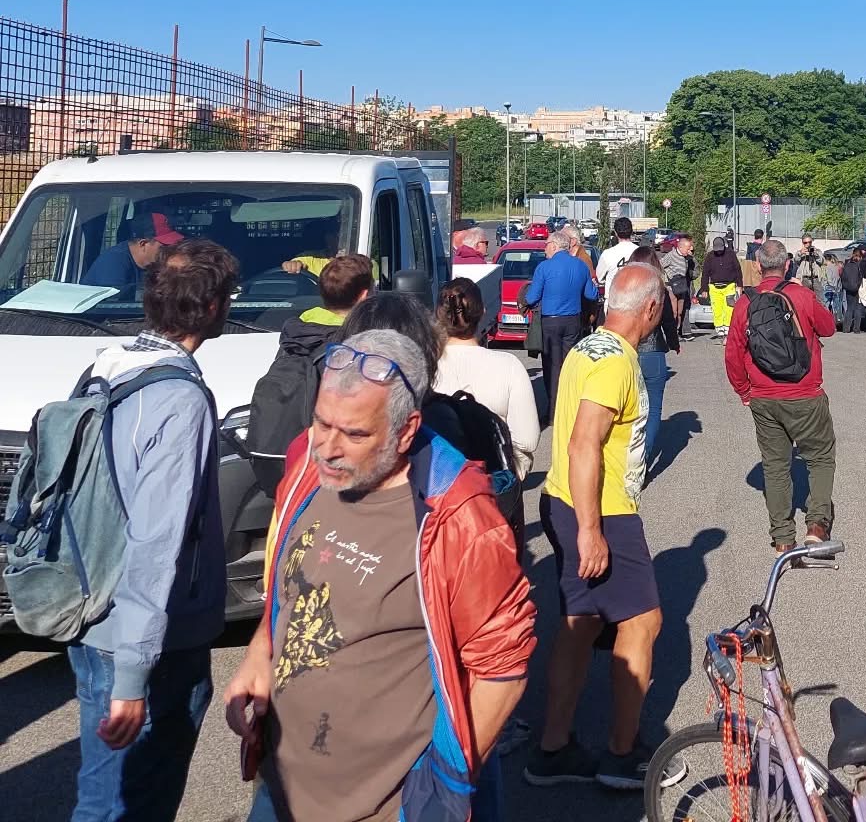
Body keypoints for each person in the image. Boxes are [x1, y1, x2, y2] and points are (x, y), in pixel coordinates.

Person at [224, 327, 536, 822]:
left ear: (406, 430)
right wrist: (260, 651)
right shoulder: (307, 465)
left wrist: (445, 782)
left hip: (387, 805)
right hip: (281, 784)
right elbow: (290, 584)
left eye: (354, 434)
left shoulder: (460, 518)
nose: (328, 447)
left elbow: (501, 669)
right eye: (322, 423)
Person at [69, 239, 236, 822]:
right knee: (132, 802)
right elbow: (157, 541)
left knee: (101, 793)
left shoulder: (104, 367)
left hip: (91, 611)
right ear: (214, 307)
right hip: (150, 637)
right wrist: (134, 675)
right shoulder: (180, 398)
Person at [526, 265, 663, 792]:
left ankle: (552, 749)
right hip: (599, 509)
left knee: (581, 623)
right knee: (643, 621)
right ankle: (622, 755)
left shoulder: (589, 347)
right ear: (650, 309)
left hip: (563, 499)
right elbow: (585, 442)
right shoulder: (617, 367)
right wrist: (590, 529)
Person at [726, 238, 838, 552]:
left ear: (757, 266)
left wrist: (744, 391)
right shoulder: (801, 295)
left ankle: (782, 538)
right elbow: (828, 327)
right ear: (787, 264)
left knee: (775, 466)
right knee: (820, 457)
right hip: (805, 392)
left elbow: (733, 354)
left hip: (763, 396)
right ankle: (817, 524)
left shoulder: (746, 303)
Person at [247, 252, 374, 496]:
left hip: (288, 457)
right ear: (364, 296)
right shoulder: (359, 341)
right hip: (333, 462)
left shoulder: (297, 328)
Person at [435, 276, 540, 481]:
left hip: (437, 489)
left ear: (439, 316)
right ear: (482, 312)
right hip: (492, 484)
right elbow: (528, 441)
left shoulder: (423, 367)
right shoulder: (509, 366)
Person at [525, 230, 600, 424]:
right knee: (569, 364)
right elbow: (591, 295)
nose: (544, 249)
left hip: (550, 321)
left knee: (551, 366)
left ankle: (552, 412)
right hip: (572, 321)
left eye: (546, 245)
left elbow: (531, 298)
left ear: (554, 245)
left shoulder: (544, 268)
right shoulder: (581, 266)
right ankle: (570, 409)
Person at [626, 245, 681, 469]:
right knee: (653, 409)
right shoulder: (658, 289)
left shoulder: (626, 287)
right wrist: (675, 343)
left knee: (627, 408)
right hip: (654, 351)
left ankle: (624, 457)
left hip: (628, 350)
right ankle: (643, 458)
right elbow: (668, 320)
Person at [80, 210, 184, 294]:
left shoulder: (155, 265)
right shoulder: (114, 262)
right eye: (164, 246)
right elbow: (113, 308)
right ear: (143, 244)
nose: (170, 250)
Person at [699, 233, 743, 340]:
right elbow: (705, 273)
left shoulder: (730, 254)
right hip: (714, 287)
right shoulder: (710, 256)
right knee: (717, 309)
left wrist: (740, 285)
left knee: (729, 308)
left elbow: (737, 269)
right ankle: (719, 330)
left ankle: (727, 329)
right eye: (717, 249)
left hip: (729, 286)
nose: (719, 251)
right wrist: (704, 288)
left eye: (720, 249)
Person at [660, 233, 694, 334]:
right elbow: (660, 264)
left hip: (682, 286)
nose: (689, 251)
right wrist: (668, 275)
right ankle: (672, 332)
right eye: (687, 249)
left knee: (680, 312)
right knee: (673, 312)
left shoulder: (687, 257)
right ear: (681, 247)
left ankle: (677, 330)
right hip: (671, 286)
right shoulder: (671, 255)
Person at [595, 216, 638, 295]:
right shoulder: (640, 252)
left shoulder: (607, 254)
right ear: (631, 231)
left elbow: (599, 277)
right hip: (635, 299)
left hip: (613, 300)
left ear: (615, 233)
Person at [838, 246, 866, 333]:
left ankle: (846, 328)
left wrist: (845, 285)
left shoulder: (847, 264)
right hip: (859, 288)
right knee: (858, 308)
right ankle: (856, 329)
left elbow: (843, 276)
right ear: (860, 255)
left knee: (849, 308)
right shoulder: (862, 264)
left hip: (848, 288)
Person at [791, 234, 825, 302]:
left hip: (815, 278)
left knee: (820, 300)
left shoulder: (817, 251)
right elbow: (796, 261)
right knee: (804, 299)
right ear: (803, 243)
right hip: (804, 278)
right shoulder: (800, 252)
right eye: (805, 242)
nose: (808, 244)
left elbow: (821, 261)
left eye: (809, 242)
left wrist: (816, 255)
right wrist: (801, 253)